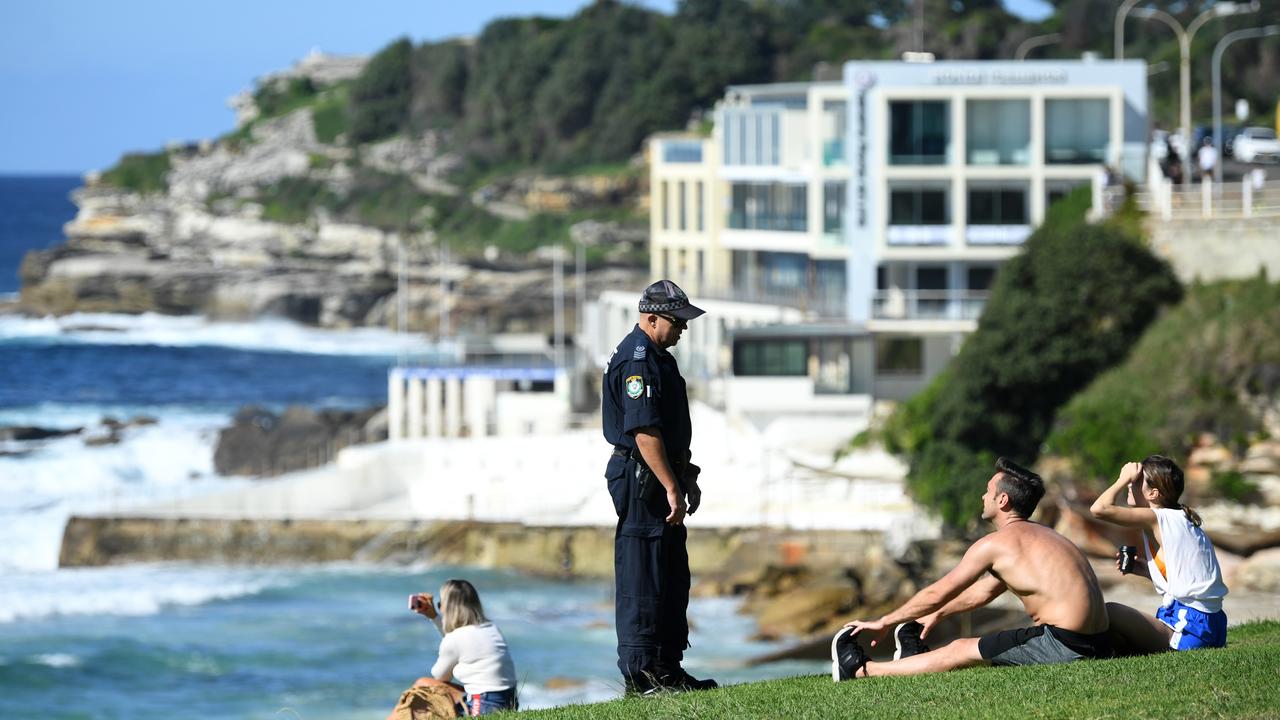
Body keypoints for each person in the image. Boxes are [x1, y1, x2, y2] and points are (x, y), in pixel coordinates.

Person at [832, 457, 1112, 681]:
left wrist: (884, 622)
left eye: (988, 491)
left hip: (1064, 645)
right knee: (966, 645)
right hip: (1097, 642)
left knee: (960, 649)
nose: (982, 496)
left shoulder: (996, 544)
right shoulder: (1046, 537)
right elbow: (985, 590)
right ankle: (908, 663)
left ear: (1002, 501)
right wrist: (939, 614)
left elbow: (938, 591)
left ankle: (861, 671)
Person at [600, 279, 716, 694]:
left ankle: (667, 667)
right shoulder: (638, 360)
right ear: (651, 318)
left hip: (658, 476)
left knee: (669, 573)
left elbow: (667, 433)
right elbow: (644, 429)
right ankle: (642, 674)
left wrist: (685, 476)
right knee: (643, 573)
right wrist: (670, 485)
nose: (683, 328)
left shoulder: (658, 357)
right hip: (641, 479)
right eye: (677, 321)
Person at [1089, 456, 1229, 654]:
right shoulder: (1177, 518)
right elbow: (1188, 577)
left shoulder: (1159, 517)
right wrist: (1146, 570)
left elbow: (1099, 509)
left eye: (1136, 481)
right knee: (1117, 635)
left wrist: (1122, 478)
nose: (1131, 483)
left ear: (1153, 493)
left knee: (1110, 611)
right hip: (1206, 623)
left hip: (1190, 625)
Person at [402, 579, 518, 716]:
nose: (440, 608)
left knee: (422, 684)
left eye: (440, 605)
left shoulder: (454, 639)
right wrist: (434, 616)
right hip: (509, 702)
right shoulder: (492, 629)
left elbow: (440, 676)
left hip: (483, 706)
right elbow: (462, 640)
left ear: (450, 609)